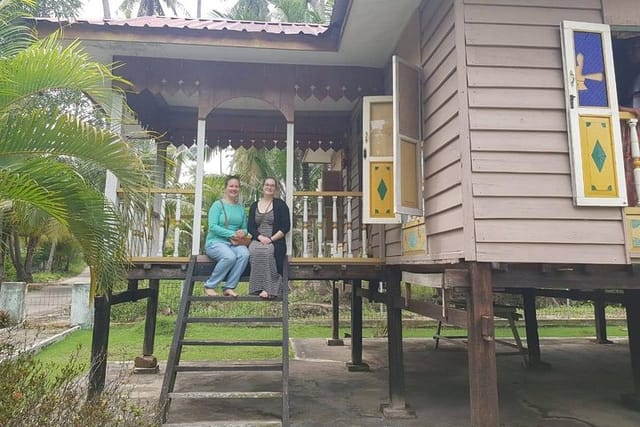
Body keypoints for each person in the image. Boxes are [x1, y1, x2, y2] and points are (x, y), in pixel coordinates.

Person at [203, 175, 250, 297]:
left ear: (239, 189)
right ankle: (210, 285)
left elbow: (245, 228)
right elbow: (212, 226)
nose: (234, 189)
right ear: (226, 188)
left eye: (236, 186)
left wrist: (243, 233)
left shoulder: (240, 208)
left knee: (245, 254)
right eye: (231, 186)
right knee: (229, 257)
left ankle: (229, 287)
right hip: (216, 242)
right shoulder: (217, 205)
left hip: (234, 243)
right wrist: (232, 234)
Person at [247, 177, 290, 299]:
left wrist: (270, 239)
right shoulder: (254, 205)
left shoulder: (280, 205)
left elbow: (286, 226)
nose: (269, 187)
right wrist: (260, 237)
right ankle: (257, 287)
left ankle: (270, 288)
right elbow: (250, 227)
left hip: (275, 240)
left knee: (267, 251)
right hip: (258, 239)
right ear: (263, 187)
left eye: (272, 185)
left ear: (275, 188)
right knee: (254, 251)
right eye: (267, 184)